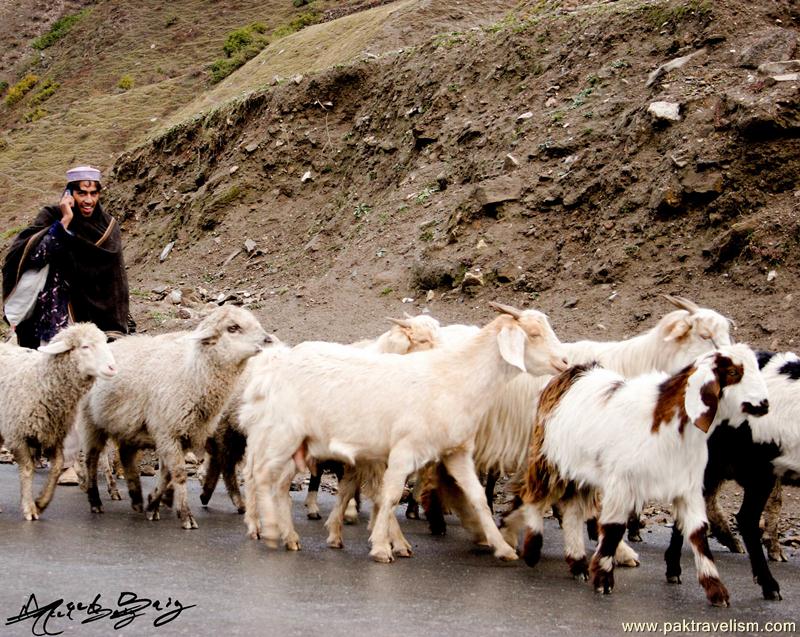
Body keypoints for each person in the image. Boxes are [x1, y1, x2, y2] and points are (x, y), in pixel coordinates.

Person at [2, 165, 133, 485]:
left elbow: (115, 278)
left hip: (94, 319)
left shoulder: (106, 226)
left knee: (93, 388)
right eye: (81, 192)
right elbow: (30, 256)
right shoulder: (49, 218)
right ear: (69, 192)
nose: (88, 199)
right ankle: (64, 462)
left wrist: (117, 318)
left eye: (93, 192)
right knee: (55, 389)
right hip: (51, 317)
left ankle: (96, 457)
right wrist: (63, 223)